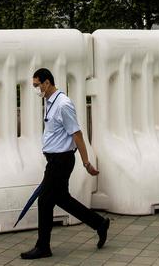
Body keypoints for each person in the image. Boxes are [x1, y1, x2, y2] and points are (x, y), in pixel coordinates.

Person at [20, 68, 110, 260]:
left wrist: (86, 162)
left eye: (37, 85)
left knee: (44, 201)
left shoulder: (63, 104)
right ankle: (100, 224)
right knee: (62, 199)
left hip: (61, 161)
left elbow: (76, 133)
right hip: (54, 160)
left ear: (47, 83)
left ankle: (43, 247)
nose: (35, 89)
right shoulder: (49, 102)